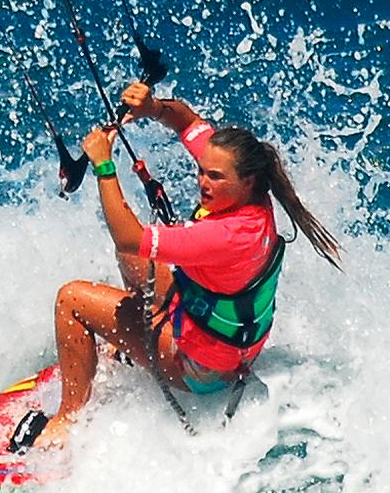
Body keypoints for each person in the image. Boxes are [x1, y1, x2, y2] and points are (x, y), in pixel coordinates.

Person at [38, 81, 343, 447]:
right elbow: (187, 122)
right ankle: (133, 343)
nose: (203, 182)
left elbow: (129, 237)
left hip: (201, 370)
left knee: (72, 299)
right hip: (222, 340)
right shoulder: (255, 198)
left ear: (246, 181)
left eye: (215, 177)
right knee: (135, 256)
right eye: (202, 170)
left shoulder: (227, 235)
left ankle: (67, 420)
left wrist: (105, 166)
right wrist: (154, 107)